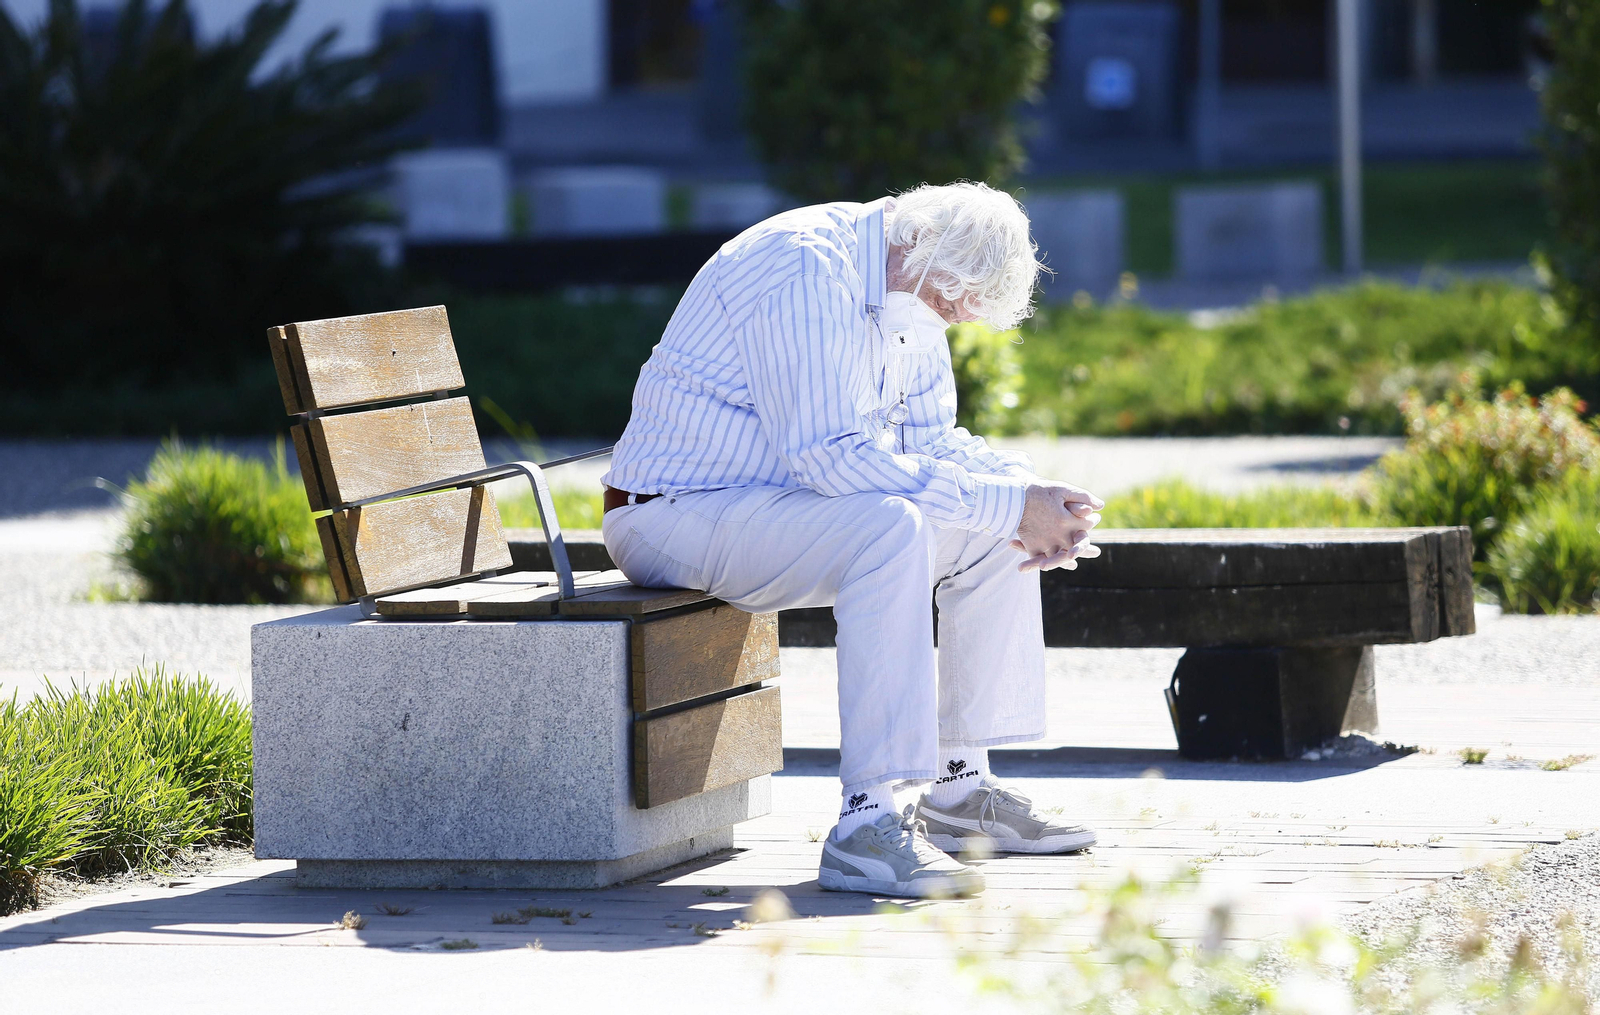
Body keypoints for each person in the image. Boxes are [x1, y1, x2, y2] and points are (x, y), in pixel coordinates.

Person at [601, 181, 1103, 898]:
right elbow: (827, 455)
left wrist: (1031, 495)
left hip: (781, 508)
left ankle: (961, 792)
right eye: (948, 302)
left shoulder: (911, 287)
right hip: (672, 513)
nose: (950, 320)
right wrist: (1004, 503)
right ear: (913, 246)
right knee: (892, 527)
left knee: (996, 534)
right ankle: (865, 824)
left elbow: (933, 441)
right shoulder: (802, 267)